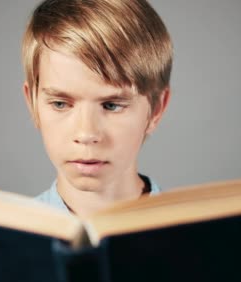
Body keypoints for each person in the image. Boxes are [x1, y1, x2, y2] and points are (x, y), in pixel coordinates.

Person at [22, 0, 172, 216]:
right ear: (33, 104)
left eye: (111, 106)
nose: (86, 134)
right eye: (60, 104)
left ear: (156, 108)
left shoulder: (203, 242)